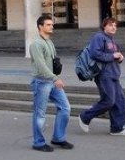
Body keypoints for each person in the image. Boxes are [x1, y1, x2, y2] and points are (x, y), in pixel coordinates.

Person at [78, 17, 125, 137]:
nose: (114, 27)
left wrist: (120, 58)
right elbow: (95, 53)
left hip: (114, 74)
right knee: (108, 101)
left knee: (119, 102)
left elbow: (114, 56)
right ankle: (85, 116)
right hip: (104, 75)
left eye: (115, 25)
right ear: (104, 26)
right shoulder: (99, 37)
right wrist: (113, 56)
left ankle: (117, 129)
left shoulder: (112, 40)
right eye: (110, 25)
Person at [29, 14, 73, 152]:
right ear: (40, 27)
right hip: (42, 81)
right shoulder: (36, 44)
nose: (51, 26)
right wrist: (55, 78)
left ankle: (58, 138)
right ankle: (38, 143)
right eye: (48, 24)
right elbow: (41, 65)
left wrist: (55, 76)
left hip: (52, 80)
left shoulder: (49, 42)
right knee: (40, 113)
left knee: (65, 108)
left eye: (52, 24)